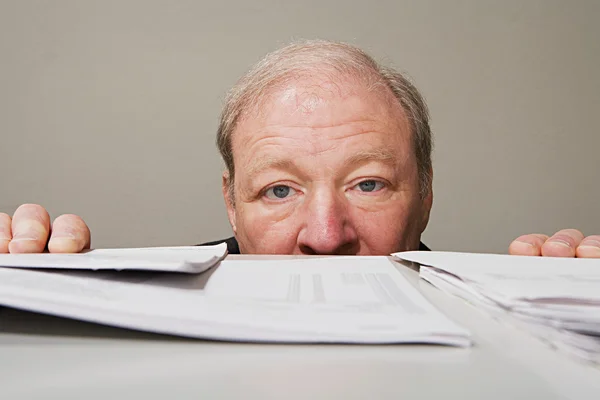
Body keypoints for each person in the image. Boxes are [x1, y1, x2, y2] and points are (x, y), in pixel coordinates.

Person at [1, 40, 598, 258]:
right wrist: (42, 294)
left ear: (427, 196)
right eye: (279, 190)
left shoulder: (496, 324)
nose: (325, 235)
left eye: (368, 184)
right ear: (232, 204)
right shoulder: (146, 319)